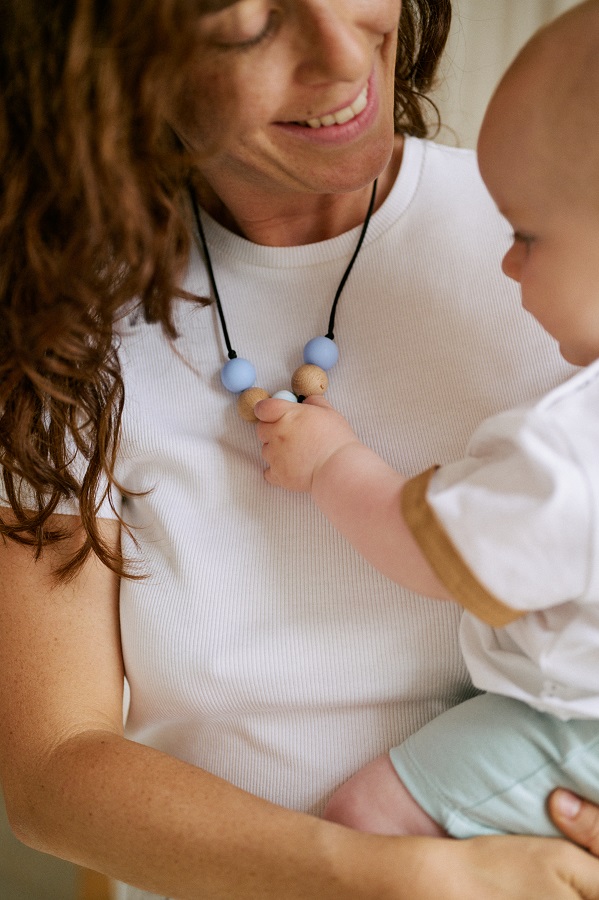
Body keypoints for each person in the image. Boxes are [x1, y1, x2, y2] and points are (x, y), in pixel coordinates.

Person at [1, 2, 599, 899]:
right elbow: (52, 770)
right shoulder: (57, 320)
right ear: (107, 52)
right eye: (250, 20)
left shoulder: (569, 235)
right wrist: (392, 877)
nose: (344, 53)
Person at [255, 0, 599, 846]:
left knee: (363, 820)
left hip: (575, 735)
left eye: (526, 235)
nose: (505, 260)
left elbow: (435, 550)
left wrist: (331, 462)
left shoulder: (570, 445)